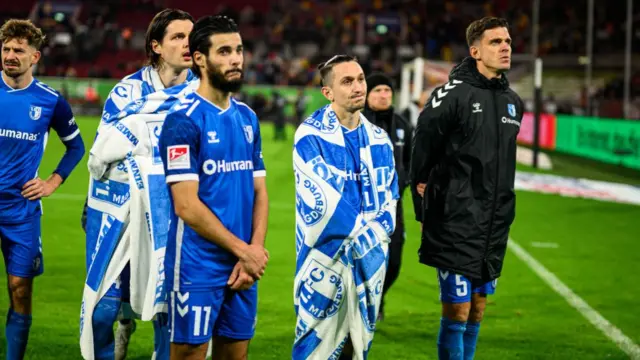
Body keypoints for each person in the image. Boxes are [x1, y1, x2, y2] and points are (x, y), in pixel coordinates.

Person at [81, 8, 195, 360]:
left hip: (177, 214)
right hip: (122, 209)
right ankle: (119, 330)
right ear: (157, 45)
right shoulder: (126, 91)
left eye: (192, 37)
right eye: (178, 37)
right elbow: (102, 152)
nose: (188, 44)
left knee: (169, 312)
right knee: (103, 308)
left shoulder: (203, 96)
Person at [409, 17, 524, 360]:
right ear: (475, 50)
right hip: (454, 219)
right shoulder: (450, 95)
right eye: (495, 42)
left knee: (477, 309)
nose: (505, 47)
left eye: (507, 41)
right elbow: (421, 157)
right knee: (456, 312)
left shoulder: (513, 101)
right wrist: (424, 213)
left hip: (494, 223)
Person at [158, 15, 269, 360]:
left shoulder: (247, 117)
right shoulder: (182, 121)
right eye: (224, 51)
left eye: (238, 49)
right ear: (200, 59)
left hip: (243, 265)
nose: (236, 58)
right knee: (189, 354)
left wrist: (254, 252)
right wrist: (244, 251)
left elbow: (260, 193)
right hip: (197, 266)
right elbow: (186, 206)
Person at [292, 55, 399, 360]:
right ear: (328, 92)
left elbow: (390, 198)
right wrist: (368, 235)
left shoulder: (380, 139)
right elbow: (322, 203)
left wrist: (374, 238)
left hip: (371, 260)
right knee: (315, 347)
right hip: (325, 261)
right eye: (347, 81)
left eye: (361, 79)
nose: (358, 87)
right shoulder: (310, 135)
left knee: (357, 343)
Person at [0, 19, 85, 359]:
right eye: (5, 49)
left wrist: (52, 182)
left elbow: (76, 147)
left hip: (21, 210)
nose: (10, 55)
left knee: (20, 288)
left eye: (18, 50)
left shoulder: (50, 101)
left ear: (34, 56)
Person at [361, 72, 413, 321]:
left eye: (387, 91)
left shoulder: (402, 125)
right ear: (367, 95)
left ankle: (379, 297)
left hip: (394, 205)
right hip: (361, 206)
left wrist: (407, 180)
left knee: (393, 263)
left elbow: (412, 161)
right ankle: (361, 303)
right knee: (361, 259)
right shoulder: (356, 123)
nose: (384, 95)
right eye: (378, 91)